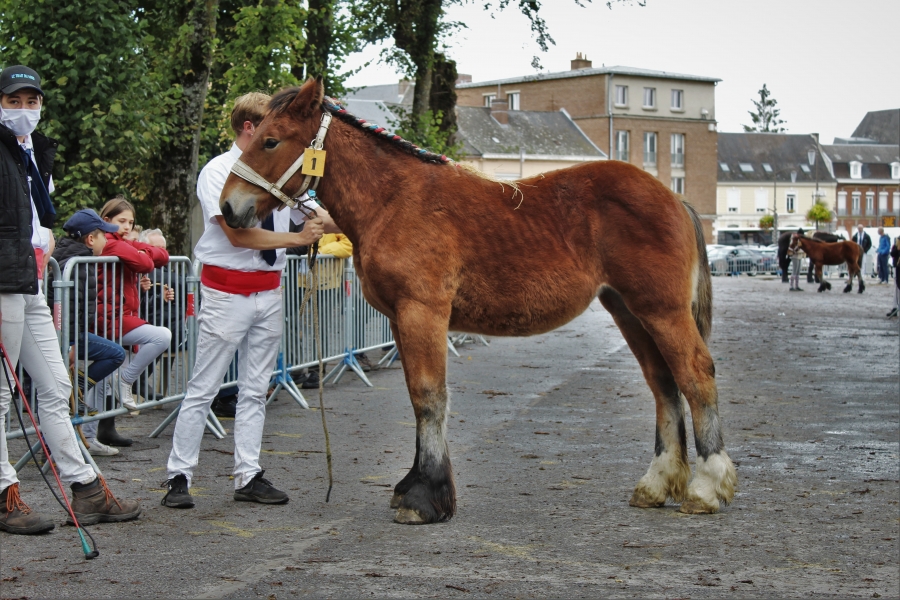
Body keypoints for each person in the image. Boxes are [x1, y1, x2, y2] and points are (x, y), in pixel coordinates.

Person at [162, 92, 336, 509]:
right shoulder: (219, 171)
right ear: (249, 129)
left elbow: (320, 216)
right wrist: (298, 237)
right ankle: (178, 476)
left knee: (257, 390)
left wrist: (334, 216)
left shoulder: (280, 172)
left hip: (268, 290)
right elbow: (237, 235)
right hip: (227, 290)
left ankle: (248, 474)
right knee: (204, 388)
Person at [0, 65, 140, 534]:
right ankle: (4, 495)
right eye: (13, 101)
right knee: (1, 394)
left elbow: (40, 223)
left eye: (31, 101)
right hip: (3, 283)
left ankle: (87, 490)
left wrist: (40, 256)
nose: (23, 110)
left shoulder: (34, 152)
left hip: (31, 283)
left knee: (57, 388)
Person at [48, 209, 130, 455]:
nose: (107, 240)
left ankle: (78, 390)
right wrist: (71, 343)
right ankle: (56, 442)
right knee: (115, 354)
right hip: (67, 335)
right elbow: (68, 307)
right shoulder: (76, 264)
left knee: (55, 390)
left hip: (69, 334)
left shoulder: (73, 258)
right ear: (90, 239)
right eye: (104, 235)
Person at [97, 196, 172, 411]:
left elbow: (163, 256)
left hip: (121, 315)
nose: (127, 227)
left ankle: (92, 437)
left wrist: (141, 251)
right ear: (106, 220)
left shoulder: (123, 243)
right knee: (161, 335)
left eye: (130, 222)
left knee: (102, 385)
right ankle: (126, 379)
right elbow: (145, 263)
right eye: (122, 221)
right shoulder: (110, 243)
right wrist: (141, 253)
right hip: (110, 318)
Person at [888, 237, 899, 318]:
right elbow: (892, 254)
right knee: (897, 289)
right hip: (898, 267)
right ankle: (895, 307)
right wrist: (897, 249)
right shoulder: (898, 241)